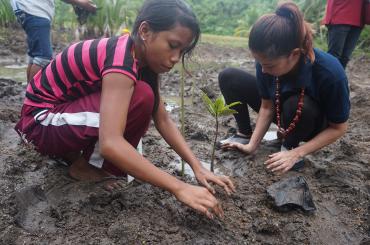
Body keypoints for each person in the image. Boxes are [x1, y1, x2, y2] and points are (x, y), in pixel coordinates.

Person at [14, 0, 235, 219]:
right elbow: (111, 143)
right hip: (37, 124)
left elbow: (163, 118)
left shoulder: (141, 58)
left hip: (60, 118)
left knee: (144, 97)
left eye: (182, 51)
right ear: (145, 31)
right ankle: (84, 167)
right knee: (139, 98)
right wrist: (179, 187)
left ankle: (78, 158)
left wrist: (197, 166)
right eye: (172, 45)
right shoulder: (121, 61)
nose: (176, 58)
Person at [219, 2, 350, 173]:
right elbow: (266, 107)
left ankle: (289, 147)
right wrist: (252, 146)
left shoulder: (330, 72)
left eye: (270, 66)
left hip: (310, 121)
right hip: (282, 113)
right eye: (260, 63)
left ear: (294, 54)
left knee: (297, 104)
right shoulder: (266, 63)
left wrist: (297, 153)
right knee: (229, 76)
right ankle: (244, 135)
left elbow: (339, 128)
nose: (263, 70)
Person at [10, 0, 97, 82]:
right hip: (34, 10)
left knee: (34, 56)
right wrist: (82, 3)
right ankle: (34, 95)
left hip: (25, 9)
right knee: (43, 57)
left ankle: (30, 92)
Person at [322, 0, 364, 69]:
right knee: (334, 56)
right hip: (340, 15)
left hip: (358, 18)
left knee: (345, 57)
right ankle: (329, 79)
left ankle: (338, 78)